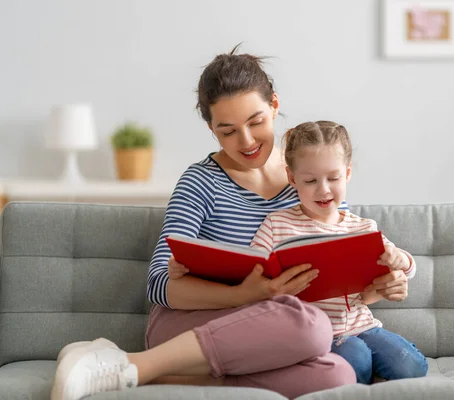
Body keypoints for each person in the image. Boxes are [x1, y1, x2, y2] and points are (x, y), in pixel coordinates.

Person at [50, 47, 409, 400]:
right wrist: (246, 294)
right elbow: (159, 284)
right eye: (228, 131)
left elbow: (339, 273)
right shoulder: (199, 182)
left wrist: (378, 282)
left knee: (340, 375)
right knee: (312, 327)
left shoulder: (313, 177)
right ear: (211, 129)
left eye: (256, 122)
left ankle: (161, 377)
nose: (247, 141)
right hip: (191, 326)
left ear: (275, 106)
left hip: (272, 331)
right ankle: (135, 364)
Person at [250, 121, 428, 384]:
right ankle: (350, 373)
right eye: (310, 181)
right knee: (356, 357)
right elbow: (251, 273)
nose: (323, 190)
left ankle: (364, 374)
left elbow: (404, 270)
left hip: (362, 326)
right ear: (292, 178)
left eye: (333, 178)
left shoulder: (362, 227)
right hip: (313, 334)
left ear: (347, 173)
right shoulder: (277, 225)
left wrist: (401, 260)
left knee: (411, 366)